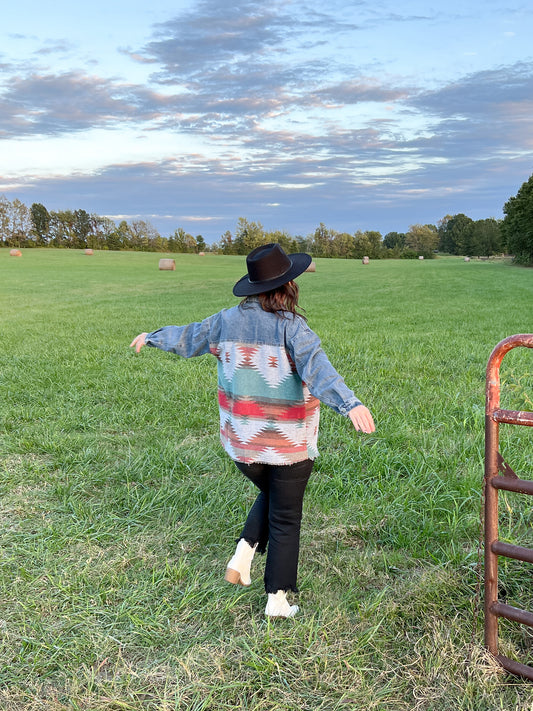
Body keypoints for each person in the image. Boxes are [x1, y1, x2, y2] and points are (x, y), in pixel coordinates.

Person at [130, 243, 375, 618]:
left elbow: (188, 336)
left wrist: (152, 336)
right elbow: (319, 370)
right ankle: (276, 599)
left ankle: (243, 556)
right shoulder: (292, 327)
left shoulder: (225, 321)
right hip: (289, 445)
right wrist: (351, 403)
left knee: (275, 497)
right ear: (287, 285)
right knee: (286, 515)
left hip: (243, 445)